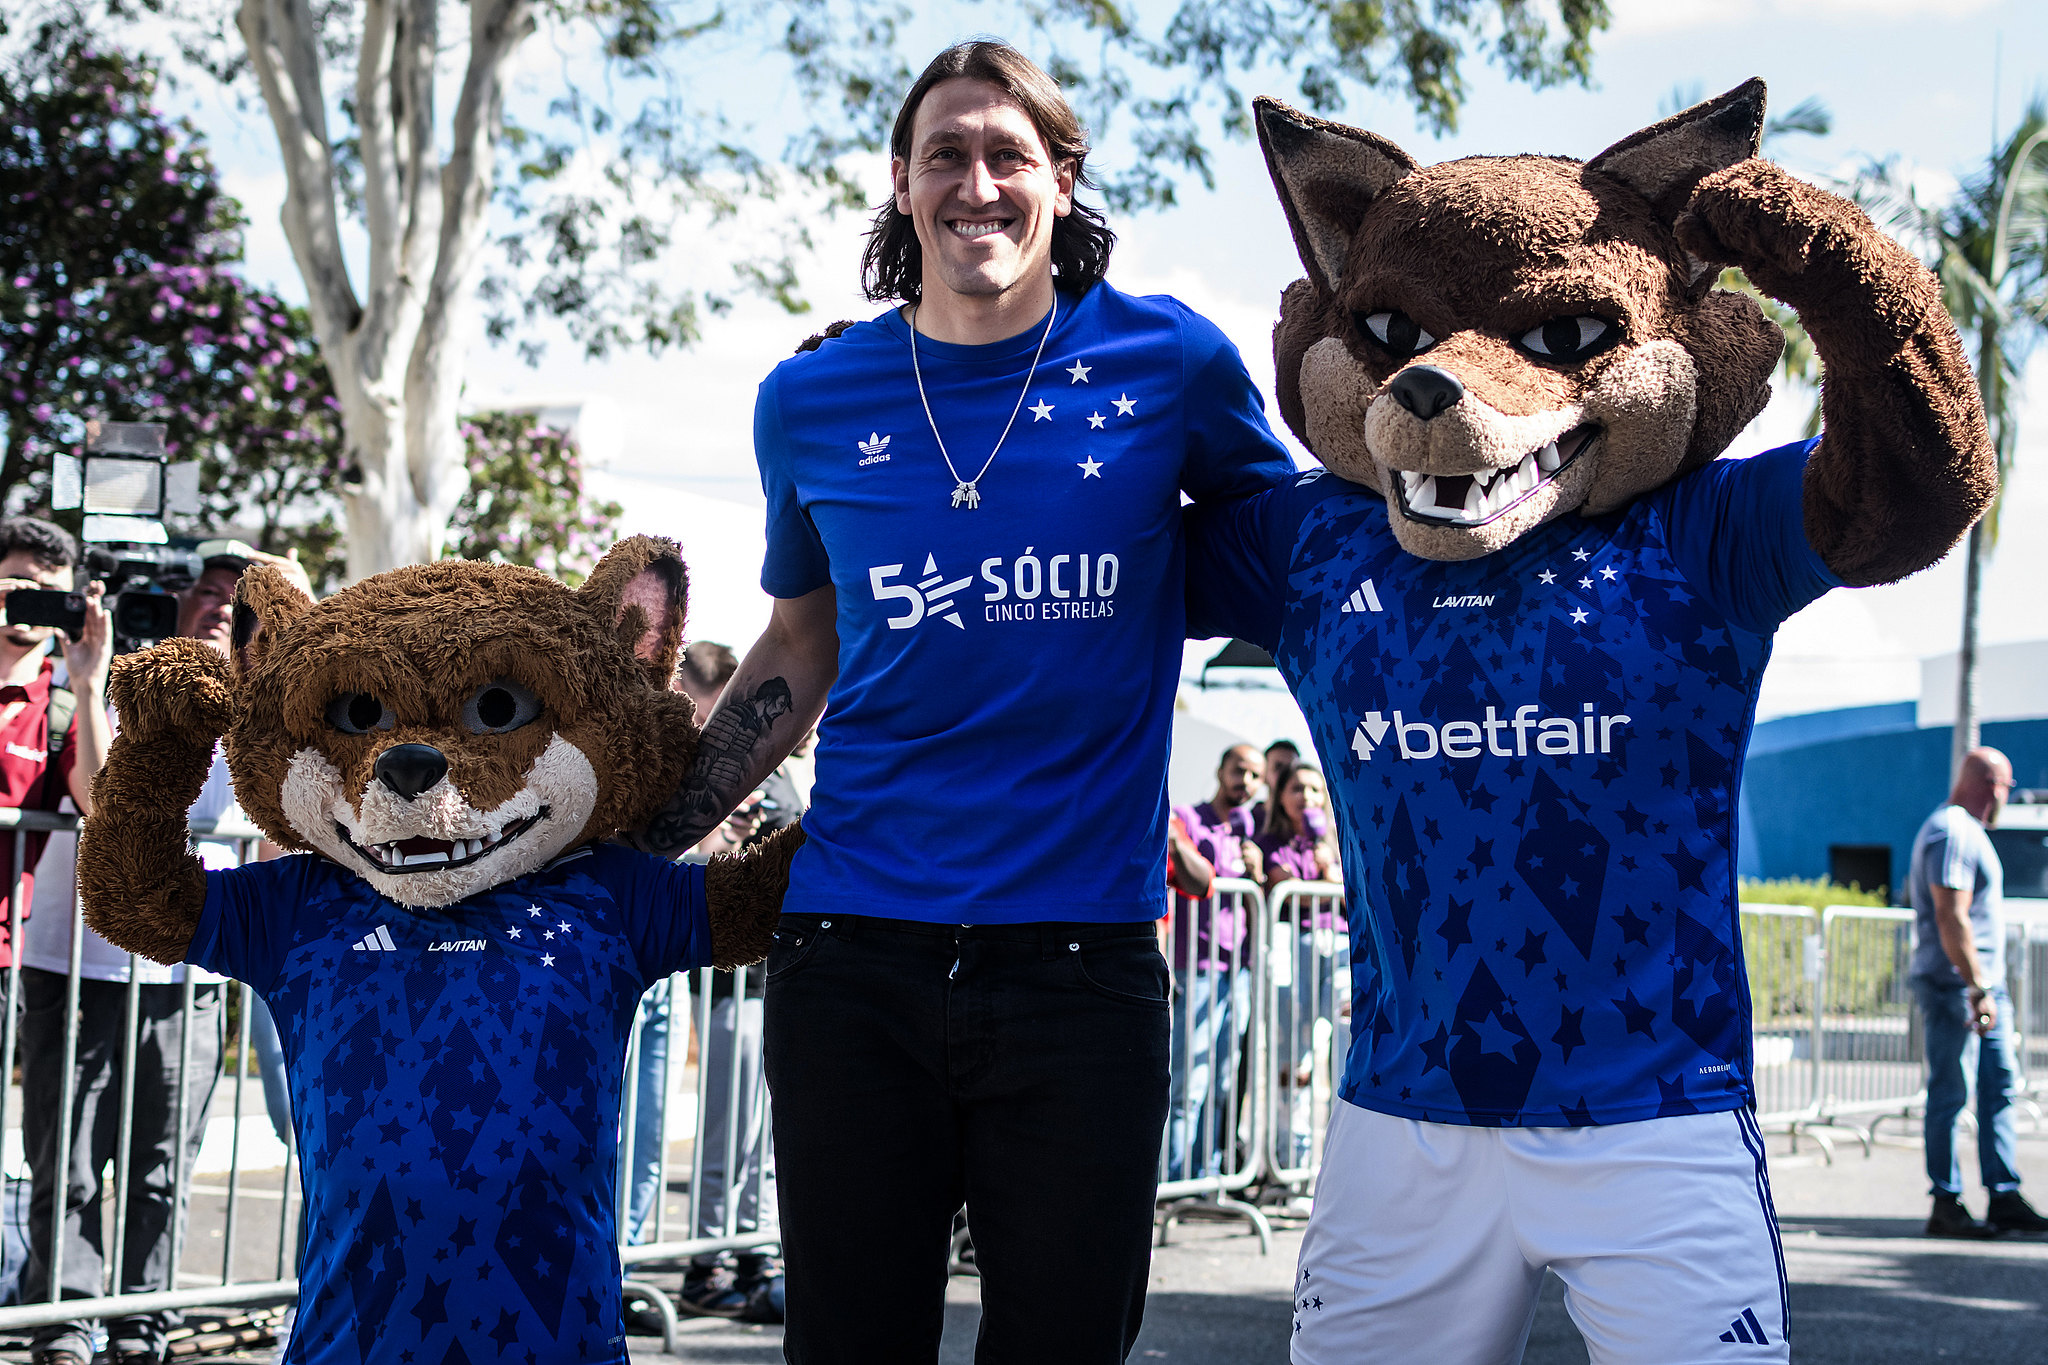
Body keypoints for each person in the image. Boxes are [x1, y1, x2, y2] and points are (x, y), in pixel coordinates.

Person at [628, 39, 1293, 1362]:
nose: (975, 184)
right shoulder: (810, 399)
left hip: (1080, 966)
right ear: (900, 183)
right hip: (853, 955)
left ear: (1062, 180)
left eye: (1007, 155)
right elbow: (798, 644)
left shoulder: (1172, 364)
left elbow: (1282, 551)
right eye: (946, 154)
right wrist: (656, 822)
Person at [18, 542, 296, 1365]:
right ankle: (63, 1321)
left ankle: (144, 1319)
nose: (219, 605)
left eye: (236, 599)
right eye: (206, 591)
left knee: (161, 1165)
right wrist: (90, 669)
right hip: (77, 968)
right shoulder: (110, 688)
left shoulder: (259, 717)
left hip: (189, 975)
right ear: (174, 605)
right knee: (64, 1158)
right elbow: (101, 798)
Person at [1907, 747, 2048, 1239]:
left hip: (1978, 986)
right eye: (2006, 787)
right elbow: (1951, 914)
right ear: (1991, 784)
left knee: (1998, 1087)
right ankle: (1945, 1204)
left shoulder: (1965, 831)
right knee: (1952, 1092)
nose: (2007, 796)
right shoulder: (1953, 831)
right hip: (1958, 987)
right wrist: (1976, 986)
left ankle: (2003, 1194)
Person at [0, 517, 112, 950]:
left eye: (50, 594)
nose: (33, 601)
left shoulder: (61, 711)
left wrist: (87, 683)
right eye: (21, 583)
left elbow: (100, 803)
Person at [1165, 746, 1263, 1181]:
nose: (1245, 780)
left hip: (1239, 971)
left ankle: (1205, 1176)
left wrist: (1257, 870)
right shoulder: (1186, 816)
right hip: (1195, 966)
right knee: (1190, 1083)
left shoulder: (1255, 829)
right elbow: (1186, 874)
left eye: (1255, 775)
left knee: (1224, 1082)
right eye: (1239, 770)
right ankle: (1172, 1179)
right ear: (1220, 769)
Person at [1252, 763, 1346, 1172]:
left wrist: (1330, 867)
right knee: (1297, 1057)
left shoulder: (1338, 838)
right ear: (1282, 796)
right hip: (1296, 946)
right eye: (1297, 789)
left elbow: (1350, 893)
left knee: (1344, 1038)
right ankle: (1294, 1160)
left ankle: (1343, 1161)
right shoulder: (1271, 841)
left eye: (1313, 789)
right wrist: (1331, 885)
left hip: (1339, 946)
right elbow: (1290, 889)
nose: (1306, 797)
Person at [1250, 739, 1298, 830]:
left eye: (1291, 768)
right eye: (1278, 767)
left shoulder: (1305, 825)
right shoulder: (1250, 822)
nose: (1285, 774)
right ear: (1263, 774)